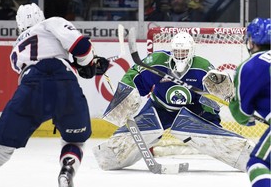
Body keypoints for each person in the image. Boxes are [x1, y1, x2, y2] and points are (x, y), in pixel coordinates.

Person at [0, 3, 109, 187]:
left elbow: (42, 62)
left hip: (29, 87)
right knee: (74, 140)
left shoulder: (15, 49)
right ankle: (67, 171)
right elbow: (81, 47)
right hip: (64, 83)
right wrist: (89, 64)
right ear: (41, 16)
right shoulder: (51, 23)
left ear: (19, 25)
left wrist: (83, 64)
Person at [93, 32, 225, 171]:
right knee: (134, 134)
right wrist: (125, 98)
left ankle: (229, 145)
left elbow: (214, 93)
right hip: (160, 108)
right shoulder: (157, 60)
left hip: (192, 110)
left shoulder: (202, 66)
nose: (180, 54)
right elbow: (134, 76)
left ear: (191, 51)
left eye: (184, 51)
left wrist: (213, 109)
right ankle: (117, 151)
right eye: (177, 51)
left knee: (213, 130)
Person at [203, 17, 271, 187]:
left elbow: (242, 115)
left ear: (251, 41)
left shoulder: (251, 66)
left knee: (259, 163)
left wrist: (232, 99)